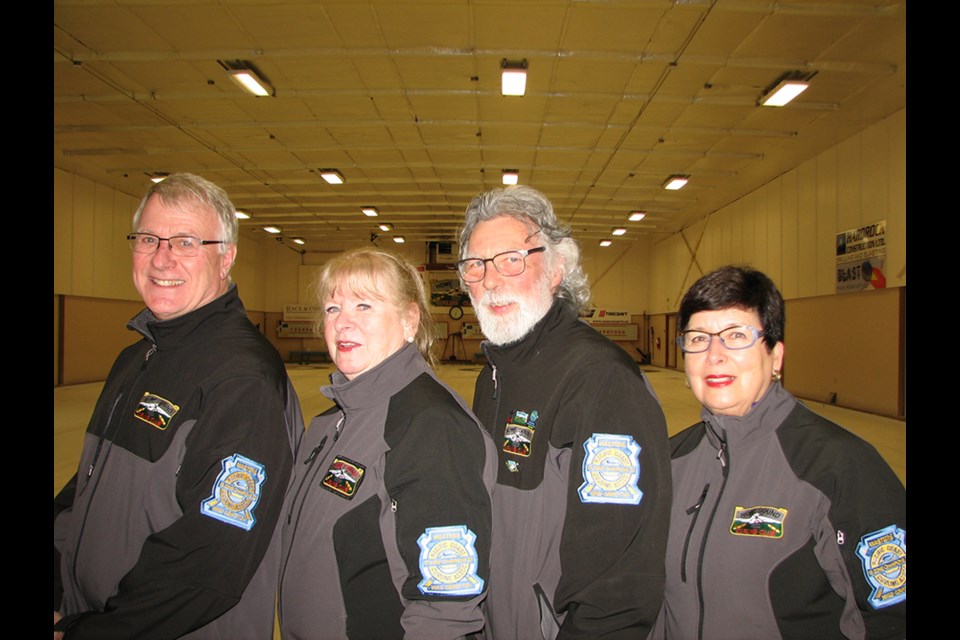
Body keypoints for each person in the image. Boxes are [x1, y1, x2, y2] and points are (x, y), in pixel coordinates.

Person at [53, 173, 302, 639]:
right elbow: (84, 488)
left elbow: (211, 558)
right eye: (149, 238)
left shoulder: (242, 378)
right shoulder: (139, 356)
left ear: (225, 257)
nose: (162, 257)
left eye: (186, 242)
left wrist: (95, 632)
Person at [457, 185, 672, 639]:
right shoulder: (492, 376)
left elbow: (621, 573)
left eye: (511, 259)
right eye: (475, 265)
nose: (490, 280)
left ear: (556, 269)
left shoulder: (600, 380)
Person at [652, 266, 906, 639]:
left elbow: (891, 619)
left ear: (776, 356)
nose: (714, 355)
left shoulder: (839, 467)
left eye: (736, 336)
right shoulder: (670, 461)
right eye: (698, 338)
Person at [277, 248, 497, 640]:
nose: (343, 322)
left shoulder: (430, 425)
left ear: (410, 320)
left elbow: (446, 604)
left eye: (364, 305)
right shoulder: (331, 421)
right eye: (332, 308)